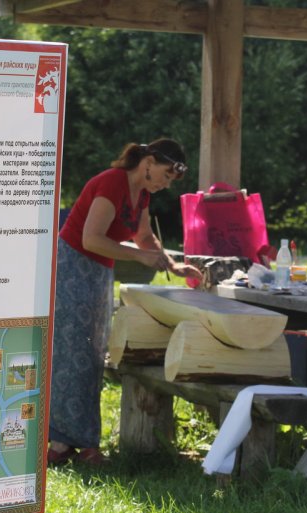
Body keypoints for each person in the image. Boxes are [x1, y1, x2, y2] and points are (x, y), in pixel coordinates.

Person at [48, 138, 202, 466]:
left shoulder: (142, 194)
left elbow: (143, 236)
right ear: (149, 161)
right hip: (72, 268)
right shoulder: (111, 183)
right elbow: (91, 238)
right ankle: (65, 443)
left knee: (91, 354)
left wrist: (172, 265)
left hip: (98, 272)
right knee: (70, 354)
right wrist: (139, 257)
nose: (165, 184)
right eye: (165, 175)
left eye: (171, 180)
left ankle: (74, 443)